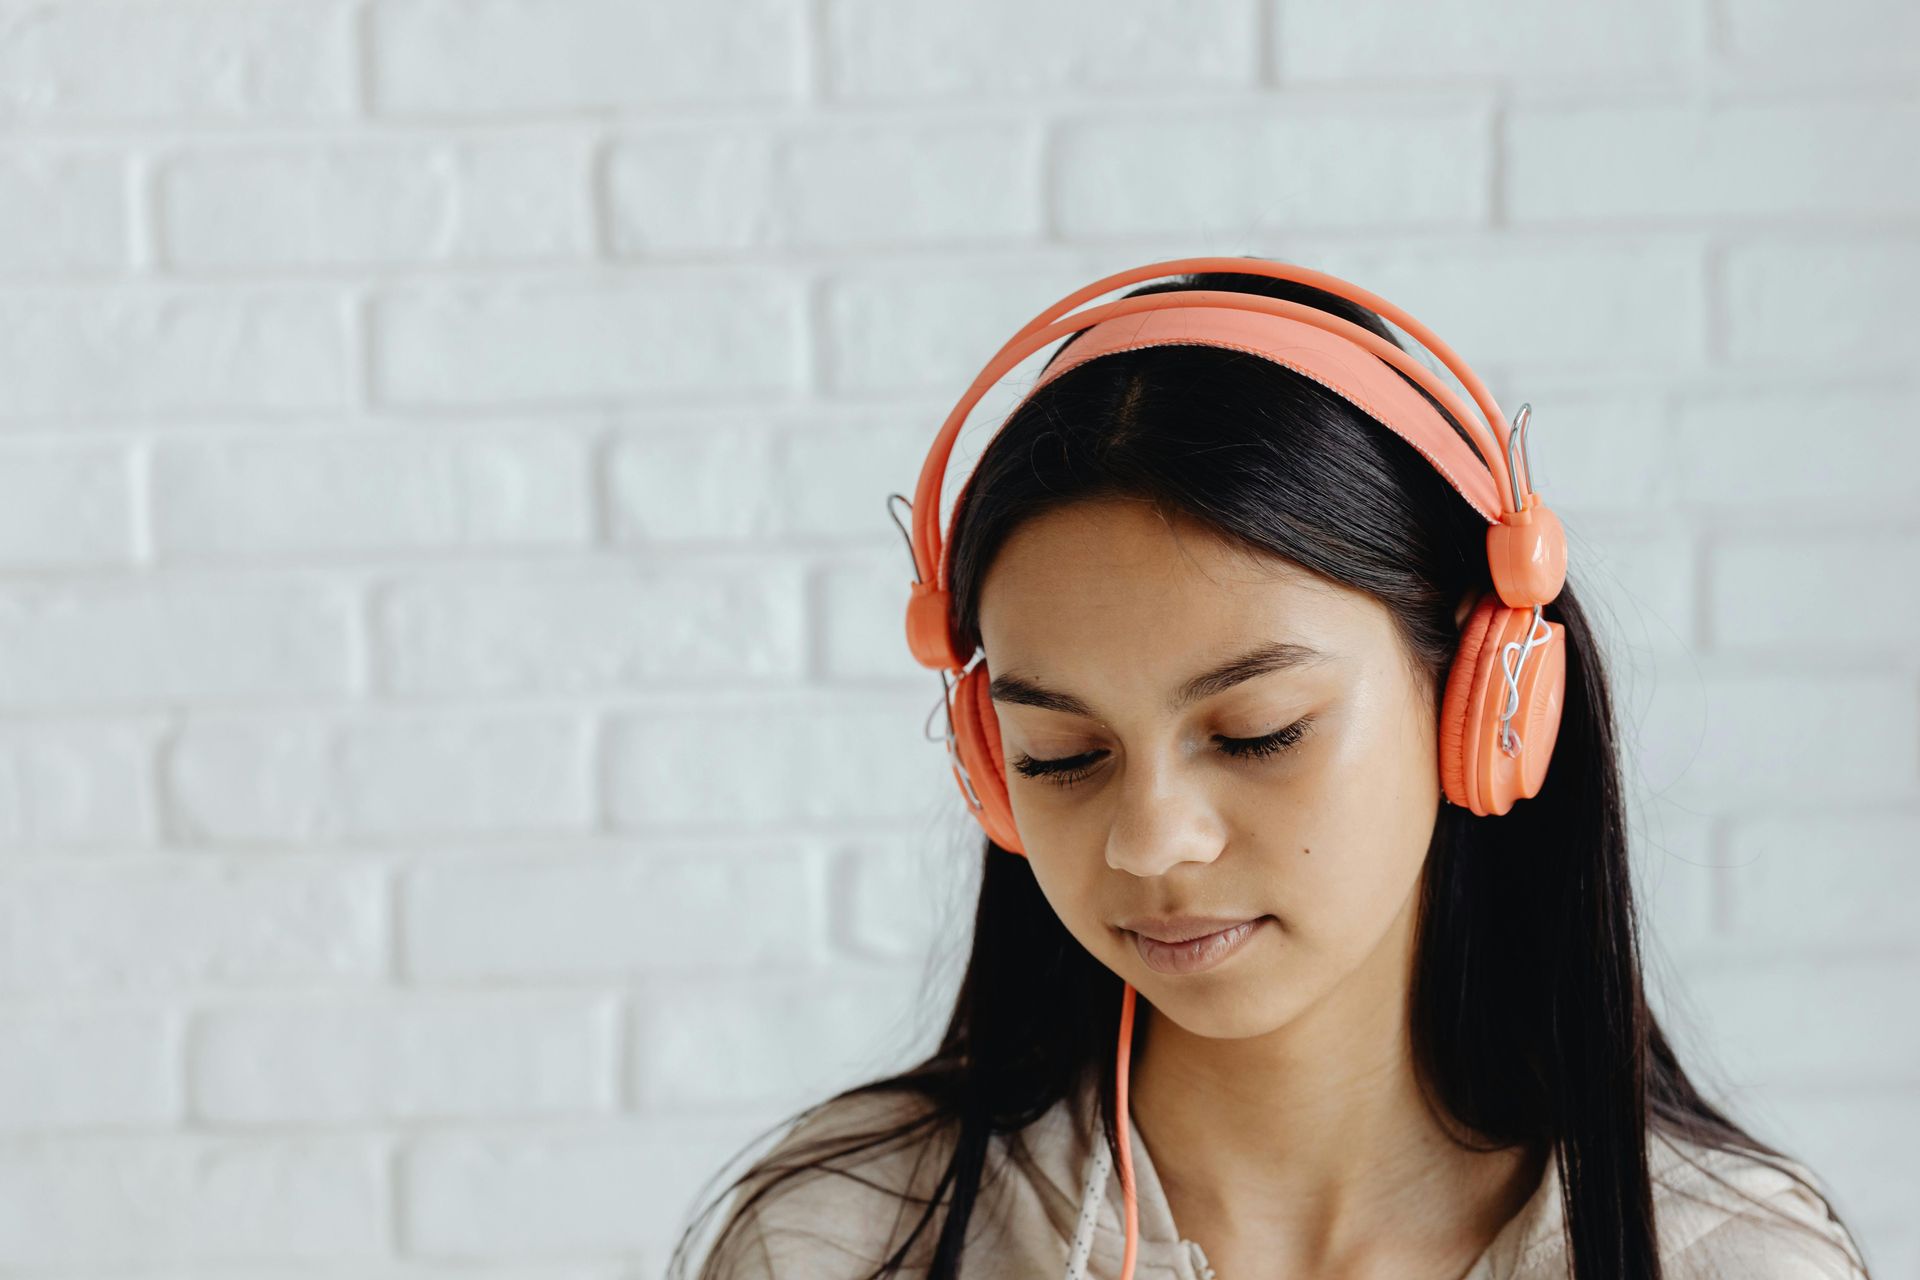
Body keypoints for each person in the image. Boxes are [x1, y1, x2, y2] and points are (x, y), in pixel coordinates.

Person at [666, 261, 1873, 1280]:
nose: (1151, 840)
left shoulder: (1735, 1255)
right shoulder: (844, 1238)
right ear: (991, 766)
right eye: (1063, 754)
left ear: (1485, 704)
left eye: (1257, 732)